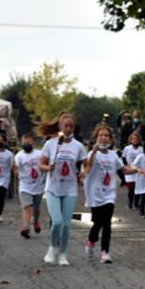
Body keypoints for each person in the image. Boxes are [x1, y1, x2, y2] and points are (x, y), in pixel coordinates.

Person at [82, 125, 140, 263]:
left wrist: (136, 170)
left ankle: (105, 252)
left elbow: (124, 170)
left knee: (107, 222)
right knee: (97, 223)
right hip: (95, 193)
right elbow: (87, 167)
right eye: (100, 135)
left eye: (106, 135)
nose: (103, 137)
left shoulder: (113, 155)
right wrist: (93, 153)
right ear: (96, 138)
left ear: (111, 139)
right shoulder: (92, 154)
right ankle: (90, 240)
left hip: (109, 193)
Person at [38, 113, 88, 266]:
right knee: (57, 222)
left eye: (71, 126)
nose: (68, 129)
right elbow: (41, 164)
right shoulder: (51, 144)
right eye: (65, 126)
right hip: (53, 188)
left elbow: (87, 164)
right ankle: (52, 248)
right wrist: (48, 167)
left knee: (66, 224)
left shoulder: (78, 146)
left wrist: (84, 173)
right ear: (60, 127)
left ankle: (63, 255)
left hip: (70, 188)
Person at [14, 133, 45, 239]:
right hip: (24, 185)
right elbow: (16, 167)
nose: (26, 144)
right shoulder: (19, 155)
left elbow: (44, 163)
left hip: (38, 185)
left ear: (33, 143)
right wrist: (16, 172)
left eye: (28, 142)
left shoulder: (39, 154)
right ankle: (25, 227)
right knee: (27, 206)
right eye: (24, 143)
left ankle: (35, 221)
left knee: (36, 208)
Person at [122, 132, 144, 209]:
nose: (135, 140)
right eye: (133, 139)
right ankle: (130, 200)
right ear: (130, 140)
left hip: (138, 171)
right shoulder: (127, 148)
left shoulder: (141, 149)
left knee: (137, 188)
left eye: (136, 139)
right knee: (131, 188)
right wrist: (126, 166)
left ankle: (136, 203)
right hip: (129, 170)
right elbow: (124, 157)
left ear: (139, 140)